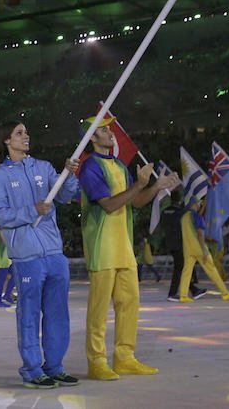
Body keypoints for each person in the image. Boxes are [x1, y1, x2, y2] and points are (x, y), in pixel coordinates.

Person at [78, 115, 180, 381]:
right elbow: (110, 205)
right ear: (91, 138)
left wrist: (156, 186)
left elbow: (134, 203)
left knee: (129, 304)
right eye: (104, 129)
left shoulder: (120, 166)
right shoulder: (89, 167)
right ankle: (96, 361)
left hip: (123, 247)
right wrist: (139, 184)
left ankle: (124, 357)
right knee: (99, 309)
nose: (111, 132)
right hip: (101, 248)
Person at [0, 120, 81, 390]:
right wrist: (32, 210)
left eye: (26, 132)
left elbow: (65, 195)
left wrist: (69, 174)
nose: (25, 136)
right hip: (26, 256)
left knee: (57, 313)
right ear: (6, 140)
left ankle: (55, 366)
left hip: (54, 253)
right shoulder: (0, 177)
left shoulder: (43, 167)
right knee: (29, 314)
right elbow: (2, 215)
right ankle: (32, 369)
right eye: (19, 133)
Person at [178, 196, 229, 304]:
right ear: (195, 204)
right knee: (212, 269)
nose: (200, 205)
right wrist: (204, 250)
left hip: (187, 249)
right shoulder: (197, 217)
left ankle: (183, 296)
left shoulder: (184, 218)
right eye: (199, 203)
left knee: (186, 272)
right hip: (199, 248)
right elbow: (200, 234)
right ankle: (225, 292)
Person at [159, 194, 205, 302]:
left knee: (181, 267)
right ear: (180, 201)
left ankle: (194, 290)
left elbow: (162, 226)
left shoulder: (164, 212)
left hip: (170, 242)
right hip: (180, 242)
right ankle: (172, 293)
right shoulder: (181, 213)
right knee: (179, 268)